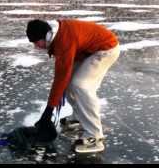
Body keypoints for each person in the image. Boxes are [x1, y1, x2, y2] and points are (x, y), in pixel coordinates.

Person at [26, 19, 120, 154]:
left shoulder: (63, 40)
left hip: (106, 49)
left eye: (36, 42)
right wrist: (49, 109)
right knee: (69, 83)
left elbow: (61, 77)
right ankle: (79, 118)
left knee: (81, 86)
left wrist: (48, 111)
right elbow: (62, 77)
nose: (36, 46)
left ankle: (95, 136)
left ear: (46, 36)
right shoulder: (56, 36)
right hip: (88, 52)